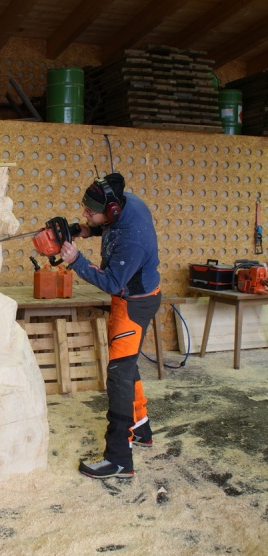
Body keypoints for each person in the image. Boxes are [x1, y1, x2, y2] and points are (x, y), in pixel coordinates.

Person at [60, 172, 161, 479]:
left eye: (90, 212)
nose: (85, 214)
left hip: (132, 305)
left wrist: (76, 260)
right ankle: (140, 427)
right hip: (132, 298)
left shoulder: (132, 241)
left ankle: (119, 459)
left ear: (112, 210)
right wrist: (86, 229)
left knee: (118, 376)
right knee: (127, 366)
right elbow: (109, 227)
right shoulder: (128, 203)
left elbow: (112, 282)